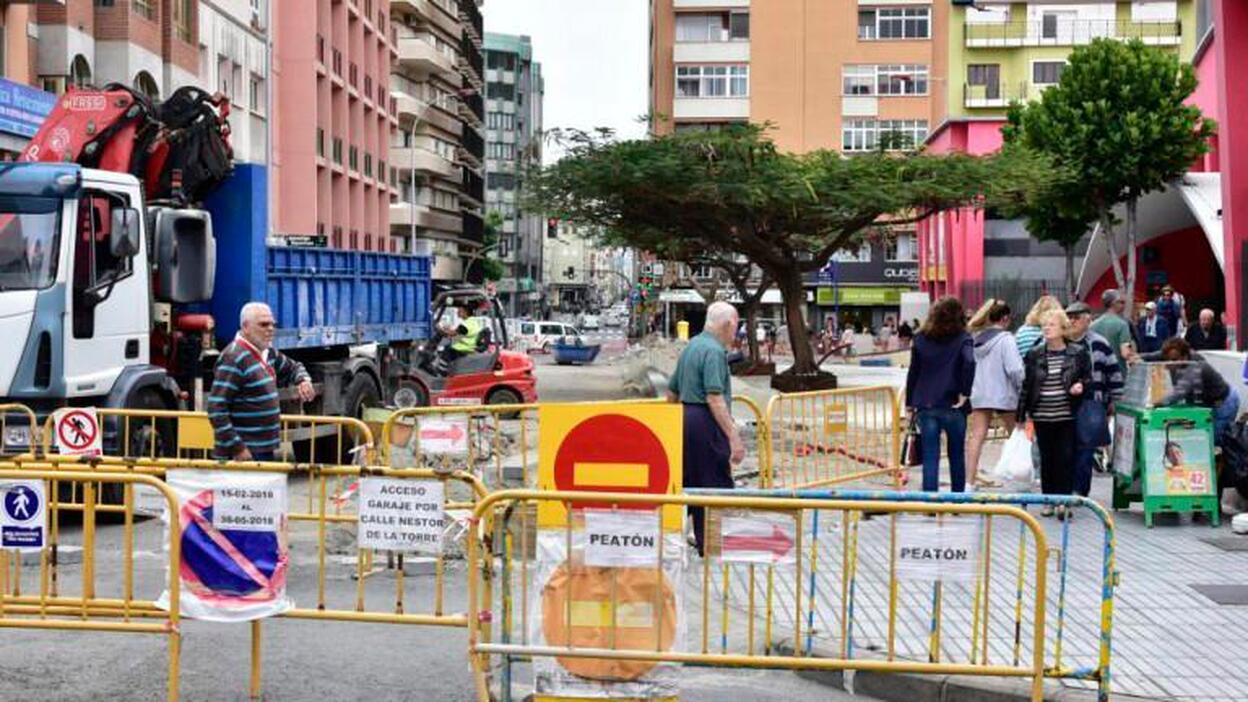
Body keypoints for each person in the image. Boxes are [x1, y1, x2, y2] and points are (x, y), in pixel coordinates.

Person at [667, 301, 745, 555]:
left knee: (691, 482)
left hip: (684, 418)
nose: (736, 333)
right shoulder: (713, 352)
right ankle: (710, 545)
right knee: (713, 484)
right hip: (705, 422)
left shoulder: (692, 346)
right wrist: (734, 437)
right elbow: (715, 397)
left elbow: (672, 390)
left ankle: (691, 539)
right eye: (736, 327)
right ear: (727, 325)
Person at [209, 302, 316, 461]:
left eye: (273, 324)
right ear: (246, 327)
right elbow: (216, 409)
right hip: (244, 453)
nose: (271, 329)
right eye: (264, 324)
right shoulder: (233, 357)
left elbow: (294, 366)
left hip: (264, 448)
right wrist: (238, 448)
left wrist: (303, 380)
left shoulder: (268, 353)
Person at [1017, 309, 1091, 517]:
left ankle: (1063, 500)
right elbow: (1027, 385)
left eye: (1051, 325)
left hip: (1067, 413)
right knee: (1047, 458)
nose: (1047, 329)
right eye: (1044, 325)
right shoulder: (1035, 353)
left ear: (1062, 329)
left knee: (1066, 457)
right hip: (1042, 414)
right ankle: (1048, 499)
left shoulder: (1077, 352)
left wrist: (1080, 385)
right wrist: (1021, 415)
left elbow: (1088, 378)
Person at [905, 297, 975, 493]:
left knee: (930, 455)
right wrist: (965, 391)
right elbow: (969, 362)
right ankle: (957, 500)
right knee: (956, 454)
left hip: (926, 402)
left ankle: (930, 501)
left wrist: (909, 403)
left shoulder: (920, 339)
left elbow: (914, 372)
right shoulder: (963, 338)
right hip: (953, 402)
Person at [1132, 337, 1241, 443]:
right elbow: (1157, 355)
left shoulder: (1195, 367)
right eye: (1166, 359)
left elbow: (1179, 393)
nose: (1168, 364)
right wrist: (1137, 357)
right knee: (1202, 436)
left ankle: (1229, 459)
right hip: (1209, 402)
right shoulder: (1176, 355)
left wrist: (1153, 403)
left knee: (1213, 440)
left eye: (1173, 360)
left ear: (1184, 357)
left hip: (1224, 403)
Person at [1066, 302, 1124, 498]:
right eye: (1069, 317)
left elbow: (1113, 372)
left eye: (1076, 317)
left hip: (1092, 402)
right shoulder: (1060, 341)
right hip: (1063, 403)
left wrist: (1116, 399)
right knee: (1066, 448)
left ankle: (1079, 491)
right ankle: (1067, 488)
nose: (1071, 320)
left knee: (1086, 448)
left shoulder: (1099, 343)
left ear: (1087, 319)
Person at [967, 300, 1024, 489]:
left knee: (977, 437)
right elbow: (1015, 369)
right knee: (1016, 436)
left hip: (981, 393)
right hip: (1004, 394)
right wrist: (1022, 388)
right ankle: (1018, 478)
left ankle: (969, 481)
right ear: (1005, 319)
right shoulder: (1006, 339)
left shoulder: (976, 339)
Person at [1090, 289, 1133, 370]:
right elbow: (1125, 353)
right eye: (1121, 302)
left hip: (1098, 372)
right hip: (1117, 372)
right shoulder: (1122, 324)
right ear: (1114, 303)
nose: (1123, 305)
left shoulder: (1093, 325)